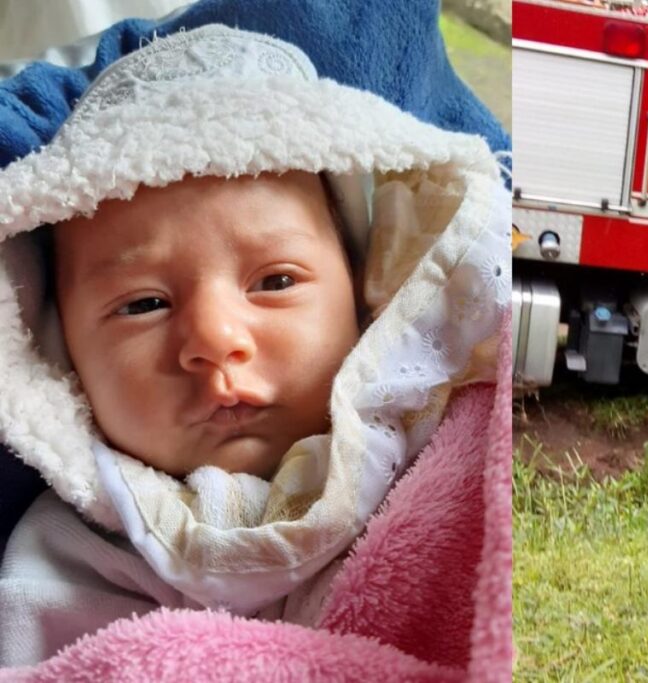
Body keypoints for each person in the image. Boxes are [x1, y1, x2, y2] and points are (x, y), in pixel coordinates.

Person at [0, 23, 509, 666]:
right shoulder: (63, 551)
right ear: (57, 350)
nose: (215, 340)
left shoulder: (442, 452)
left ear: (362, 295)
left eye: (274, 282)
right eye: (143, 304)